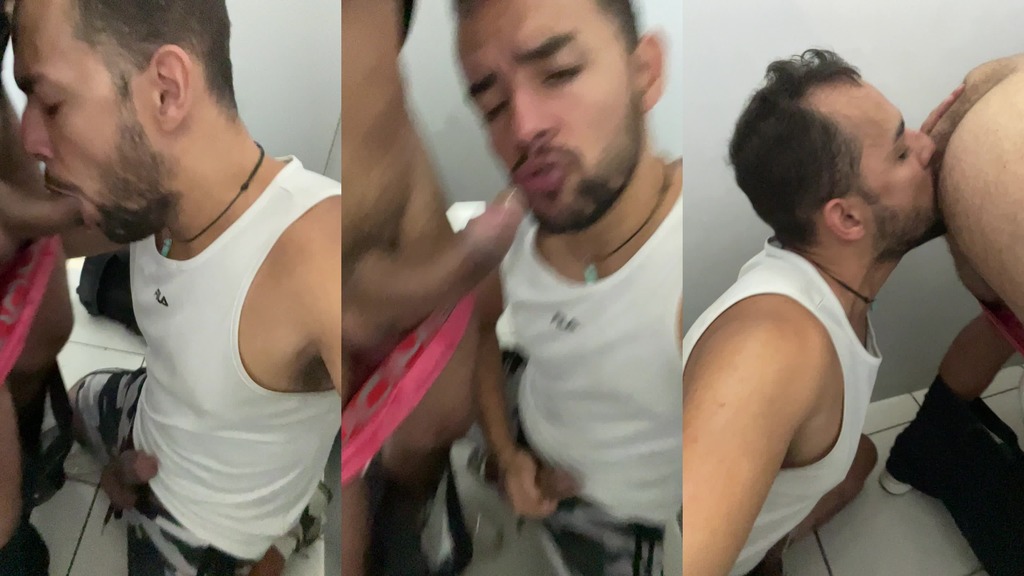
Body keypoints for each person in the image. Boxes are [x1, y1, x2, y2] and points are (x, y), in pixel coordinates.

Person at [9, 0, 342, 573]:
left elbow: (406, 452)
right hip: (152, 407)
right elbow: (35, 236)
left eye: (52, 103)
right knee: (77, 401)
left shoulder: (318, 256)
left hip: (209, 520)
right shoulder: (146, 194)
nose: (29, 137)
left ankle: (282, 535)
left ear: (165, 90)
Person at [681, 49, 961, 576]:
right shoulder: (772, 351)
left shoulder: (824, 287)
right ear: (848, 218)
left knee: (857, 459)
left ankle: (767, 545)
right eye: (902, 151)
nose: (929, 146)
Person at [456, 0, 683, 573]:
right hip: (528, 424)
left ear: (645, 71)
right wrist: (507, 455)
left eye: (558, 73)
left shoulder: (694, 277)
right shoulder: (509, 229)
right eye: (492, 105)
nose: (523, 128)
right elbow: (479, 330)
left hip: (623, 512)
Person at [341, 0, 526, 574]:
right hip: (337, 348)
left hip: (429, 330)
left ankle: (414, 509)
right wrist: (468, 260)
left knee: (424, 448)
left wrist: (467, 263)